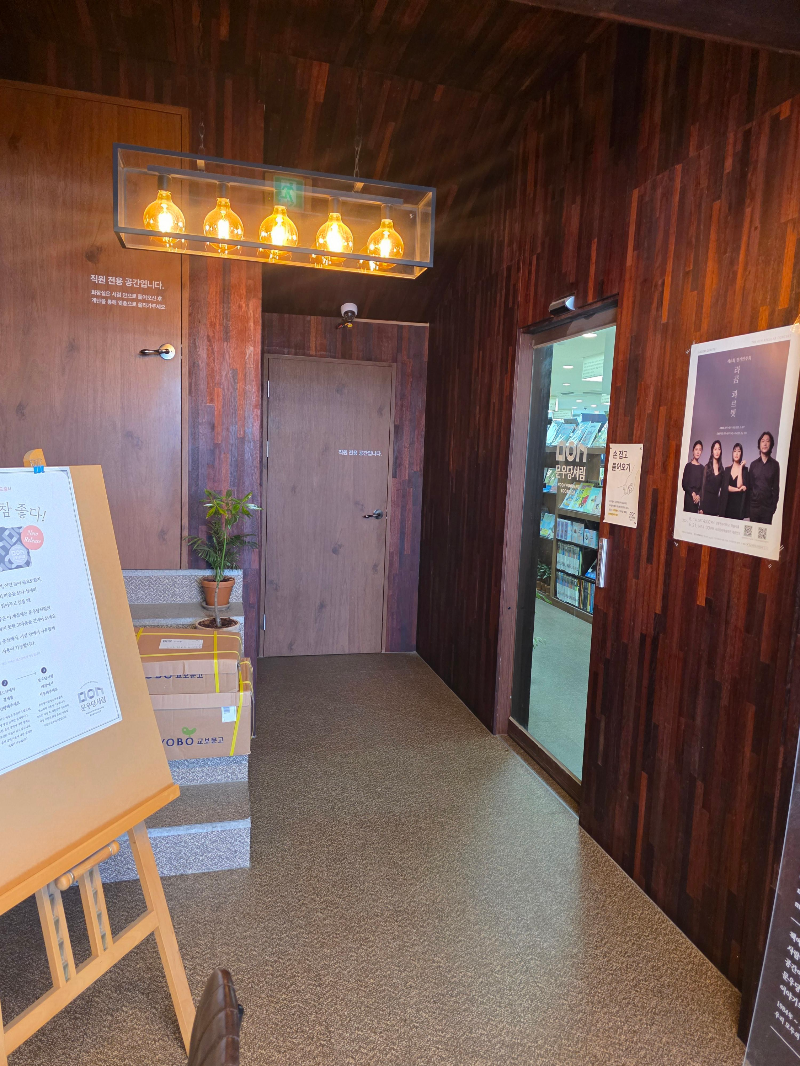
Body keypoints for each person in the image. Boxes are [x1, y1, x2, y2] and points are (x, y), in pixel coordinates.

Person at [748, 430, 780, 524]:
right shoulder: (753, 464)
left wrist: (773, 508)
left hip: (767, 509)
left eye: (767, 441)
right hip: (754, 508)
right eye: (762, 441)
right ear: (759, 445)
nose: (765, 443)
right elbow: (750, 487)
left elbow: (776, 489)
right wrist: (750, 506)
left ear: (771, 444)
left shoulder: (775, 465)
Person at [723, 442, 748, 520]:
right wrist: (739, 490)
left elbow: (739, 485)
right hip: (727, 506)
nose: (736, 453)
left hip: (738, 507)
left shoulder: (744, 470)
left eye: (739, 451)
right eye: (735, 451)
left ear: (741, 454)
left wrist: (740, 468)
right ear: (732, 453)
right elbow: (726, 487)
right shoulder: (727, 469)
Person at [699, 439, 724, 516]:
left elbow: (722, 489)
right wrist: (701, 507)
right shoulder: (707, 467)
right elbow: (702, 487)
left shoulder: (722, 469)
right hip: (705, 505)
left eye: (719, 449)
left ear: (721, 451)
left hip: (716, 506)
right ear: (712, 451)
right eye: (715, 449)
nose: (717, 451)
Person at [681, 440, 704, 512]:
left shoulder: (702, 468)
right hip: (689, 497)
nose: (698, 452)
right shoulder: (688, 466)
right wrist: (692, 493)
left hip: (697, 500)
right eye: (696, 449)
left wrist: (699, 495)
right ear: (693, 451)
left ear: (701, 452)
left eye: (700, 450)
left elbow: (703, 486)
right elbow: (684, 484)